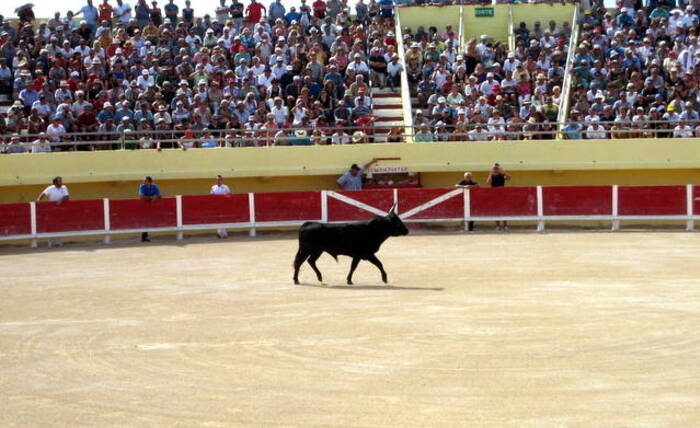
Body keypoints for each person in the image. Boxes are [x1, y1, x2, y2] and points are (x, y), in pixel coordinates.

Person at [37, 176, 70, 247]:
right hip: (51, 209)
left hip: (61, 209)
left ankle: (59, 242)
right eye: (59, 181)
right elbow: (42, 194)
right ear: (55, 183)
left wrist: (60, 200)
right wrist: (38, 201)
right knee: (51, 226)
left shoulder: (64, 187)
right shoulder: (50, 188)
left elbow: (67, 197)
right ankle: (51, 241)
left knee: (59, 225)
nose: (61, 182)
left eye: (61, 181)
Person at [486, 163, 510, 231]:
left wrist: (503, 172)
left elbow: (509, 178)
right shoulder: (492, 175)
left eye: (497, 168)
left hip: (502, 194)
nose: (495, 169)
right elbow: (487, 182)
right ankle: (498, 226)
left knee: (504, 210)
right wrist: (490, 174)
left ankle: (505, 226)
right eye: (494, 168)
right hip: (494, 195)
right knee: (496, 210)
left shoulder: (502, 175)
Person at [138, 176, 161, 242]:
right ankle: (144, 237)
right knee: (145, 220)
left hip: (153, 207)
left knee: (148, 220)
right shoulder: (142, 186)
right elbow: (141, 196)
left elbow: (160, 195)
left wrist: (156, 196)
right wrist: (151, 197)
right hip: (143, 206)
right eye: (144, 181)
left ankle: (145, 237)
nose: (145, 182)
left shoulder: (155, 186)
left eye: (146, 181)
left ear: (150, 182)